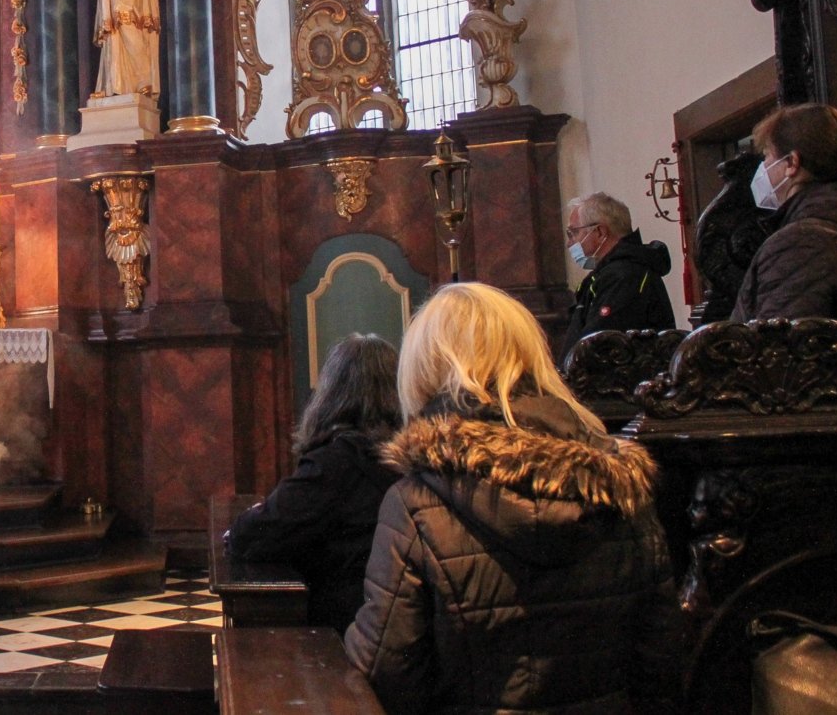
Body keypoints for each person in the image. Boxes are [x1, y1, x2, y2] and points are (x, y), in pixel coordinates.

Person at [345, 282, 683, 715]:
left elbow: (385, 671)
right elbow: (660, 660)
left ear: (426, 368)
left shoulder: (417, 503)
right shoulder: (620, 483)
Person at [225, 334, 401, 630]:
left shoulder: (336, 462)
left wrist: (255, 513)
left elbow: (250, 534)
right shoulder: (407, 455)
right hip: (387, 621)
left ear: (332, 393)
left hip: (344, 629)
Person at [730, 103, 837, 325]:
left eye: (767, 156)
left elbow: (779, 350)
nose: (763, 168)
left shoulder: (800, 244)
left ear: (792, 163)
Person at [558, 191, 677, 359]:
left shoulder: (624, 276)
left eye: (573, 233)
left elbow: (600, 343)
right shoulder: (606, 273)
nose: (569, 242)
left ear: (599, 232)